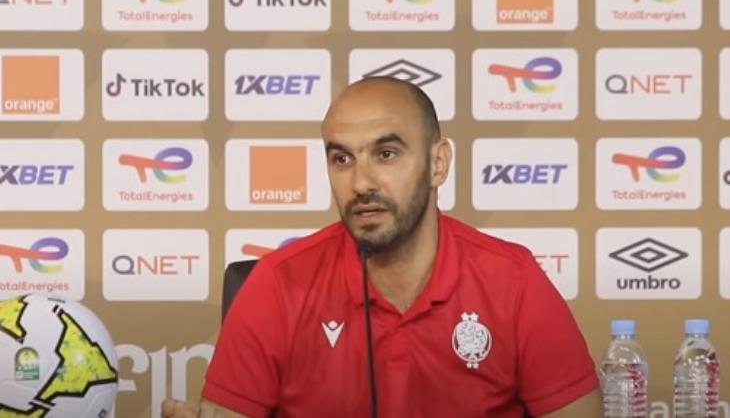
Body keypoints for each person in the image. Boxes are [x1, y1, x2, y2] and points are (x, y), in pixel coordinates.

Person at [162, 77, 602, 418]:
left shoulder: (513, 280)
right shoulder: (277, 284)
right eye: (342, 159)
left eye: (386, 154)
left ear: (437, 163)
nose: (361, 182)